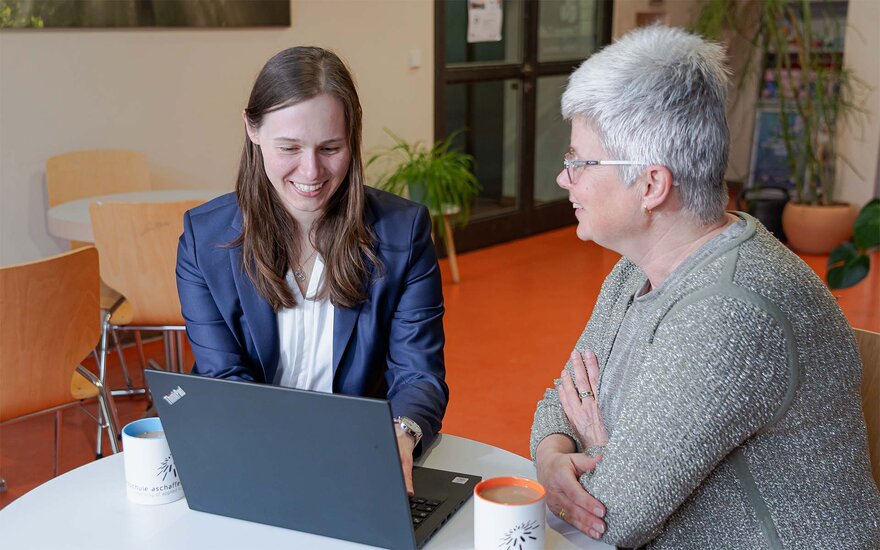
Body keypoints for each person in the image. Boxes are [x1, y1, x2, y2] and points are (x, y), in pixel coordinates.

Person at [530, 25, 880, 548]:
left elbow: (615, 517)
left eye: (578, 161)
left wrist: (599, 443)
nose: (565, 179)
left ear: (651, 185)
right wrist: (553, 453)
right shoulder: (637, 267)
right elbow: (560, 401)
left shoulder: (732, 310)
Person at [176, 46, 447, 494]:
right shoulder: (204, 240)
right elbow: (223, 377)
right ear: (252, 129)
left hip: (361, 461)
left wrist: (402, 434)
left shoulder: (404, 232)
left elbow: (419, 374)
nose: (311, 170)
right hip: (254, 456)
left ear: (353, 136)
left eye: (330, 147)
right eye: (289, 147)